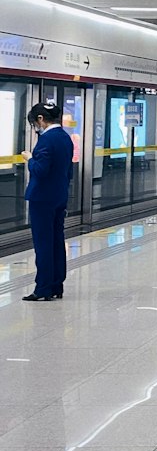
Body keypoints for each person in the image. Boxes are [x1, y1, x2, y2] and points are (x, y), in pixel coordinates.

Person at [23, 102, 74, 302]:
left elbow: (40, 170)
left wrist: (29, 159)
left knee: (43, 243)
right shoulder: (65, 138)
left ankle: (43, 288)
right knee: (56, 241)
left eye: (35, 122)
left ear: (41, 119)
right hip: (59, 196)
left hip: (41, 199)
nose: (36, 126)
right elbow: (67, 171)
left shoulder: (46, 140)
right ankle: (56, 285)